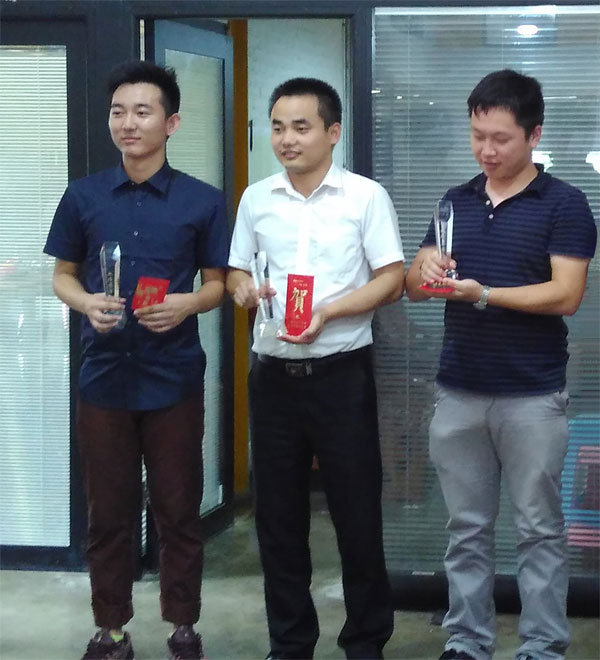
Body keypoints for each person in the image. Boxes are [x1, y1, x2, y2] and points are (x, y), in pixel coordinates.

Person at [405, 69, 597, 660]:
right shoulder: (454, 201)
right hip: (458, 390)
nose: (486, 150)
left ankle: (542, 645)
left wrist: (483, 293)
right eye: (477, 136)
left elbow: (566, 294)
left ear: (534, 135)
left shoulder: (564, 203)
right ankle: (467, 639)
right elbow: (415, 285)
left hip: (532, 396)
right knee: (466, 528)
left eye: (501, 139)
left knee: (539, 530)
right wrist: (425, 271)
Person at [44, 60, 229, 660]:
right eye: (118, 112)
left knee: (178, 509)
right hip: (104, 376)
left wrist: (185, 304)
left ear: (170, 123)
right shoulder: (84, 196)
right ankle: (111, 628)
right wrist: (86, 304)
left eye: (142, 111)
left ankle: (183, 625)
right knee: (108, 513)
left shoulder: (202, 201)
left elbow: (217, 284)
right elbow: (62, 276)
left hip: (173, 377)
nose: (128, 123)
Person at [227, 77, 404, 660]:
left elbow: (392, 279)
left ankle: (365, 642)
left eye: (301, 127)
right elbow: (235, 271)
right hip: (273, 378)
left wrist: (329, 311)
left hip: (340, 376)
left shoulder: (364, 197)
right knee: (277, 520)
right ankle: (290, 643)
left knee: (357, 514)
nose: (287, 139)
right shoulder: (257, 199)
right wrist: (243, 289)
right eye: (278, 127)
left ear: (333, 132)